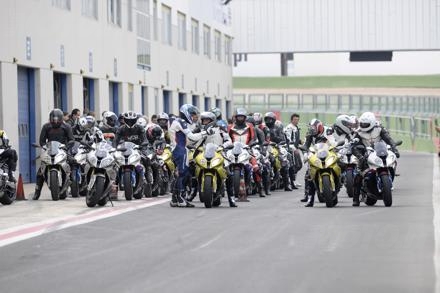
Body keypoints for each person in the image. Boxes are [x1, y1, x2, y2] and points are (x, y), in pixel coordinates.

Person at [351, 112, 400, 207]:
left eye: (366, 124)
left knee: (392, 163)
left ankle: (388, 179)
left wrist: (394, 148)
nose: (363, 125)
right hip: (365, 155)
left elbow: (388, 139)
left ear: (373, 122)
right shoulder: (359, 132)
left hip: (380, 152)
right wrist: (360, 156)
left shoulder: (379, 129)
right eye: (362, 123)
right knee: (358, 173)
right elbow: (354, 146)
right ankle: (356, 198)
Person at [168, 104, 211, 207]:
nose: (195, 117)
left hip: (180, 148)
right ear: (186, 113)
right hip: (179, 149)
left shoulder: (179, 121)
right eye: (193, 114)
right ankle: (181, 198)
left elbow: (188, 138)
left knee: (182, 174)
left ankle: (175, 199)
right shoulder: (180, 122)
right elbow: (192, 137)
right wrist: (206, 132)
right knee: (183, 174)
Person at [33, 109, 74, 200]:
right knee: (41, 171)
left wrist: (66, 147)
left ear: (61, 118)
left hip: (62, 150)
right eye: (53, 119)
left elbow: (71, 139)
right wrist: (44, 146)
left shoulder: (66, 126)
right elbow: (42, 140)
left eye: (57, 119)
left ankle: (73, 185)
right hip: (50, 149)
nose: (55, 121)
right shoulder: (46, 126)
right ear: (50, 118)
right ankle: (37, 191)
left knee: (72, 164)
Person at [301, 119, 332, 207]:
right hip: (317, 154)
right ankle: (309, 197)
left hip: (329, 153)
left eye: (313, 128)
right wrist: (305, 153)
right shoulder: (309, 134)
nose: (312, 130)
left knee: (340, 164)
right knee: (309, 174)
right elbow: (306, 145)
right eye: (311, 128)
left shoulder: (328, 131)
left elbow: (333, 141)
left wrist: (336, 147)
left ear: (319, 127)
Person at [264, 112, 292, 191]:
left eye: (270, 119)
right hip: (266, 146)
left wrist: (277, 140)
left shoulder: (277, 128)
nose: (268, 121)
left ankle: (287, 184)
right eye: (267, 119)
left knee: (284, 160)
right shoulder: (263, 128)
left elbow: (282, 139)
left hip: (276, 146)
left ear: (273, 120)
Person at [284, 113, 302, 190]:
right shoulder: (289, 127)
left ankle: (294, 180)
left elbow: (296, 138)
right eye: (295, 119)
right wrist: (293, 148)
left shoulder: (296, 127)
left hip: (296, 147)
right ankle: (292, 180)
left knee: (299, 164)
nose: (296, 121)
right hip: (292, 149)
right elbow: (288, 139)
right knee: (295, 165)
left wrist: (300, 142)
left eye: (297, 119)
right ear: (291, 120)